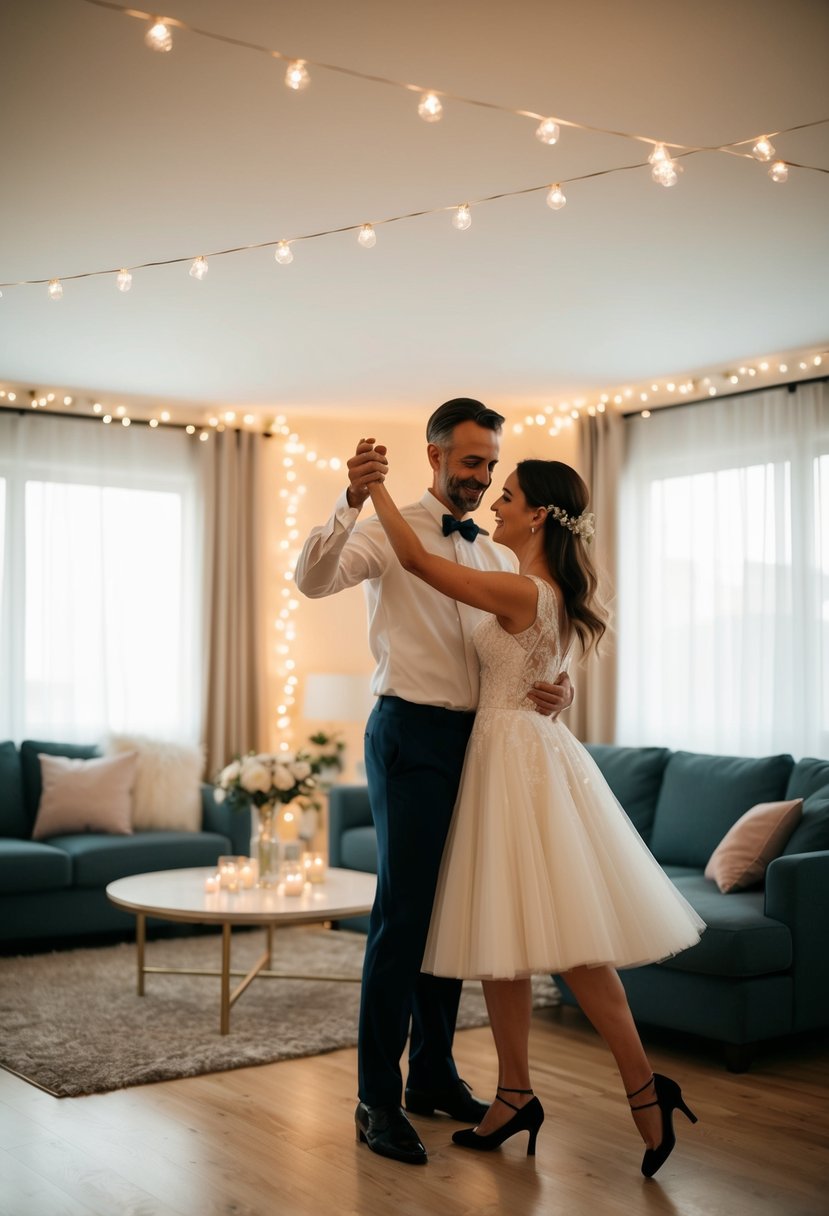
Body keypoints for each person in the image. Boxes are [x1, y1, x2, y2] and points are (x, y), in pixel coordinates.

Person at [365, 456, 706, 1178]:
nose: (495, 501)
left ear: (539, 516)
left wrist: (373, 492)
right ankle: (513, 1092)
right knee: (504, 932)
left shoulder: (525, 589)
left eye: (508, 494)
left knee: (572, 947)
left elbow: (421, 563)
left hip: (516, 764)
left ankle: (645, 1089)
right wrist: (562, 685)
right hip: (506, 756)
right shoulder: (543, 590)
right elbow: (545, 661)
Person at [295, 399, 573, 1166]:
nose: (480, 479)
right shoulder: (387, 527)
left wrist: (560, 688)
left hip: (479, 739)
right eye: (470, 462)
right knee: (405, 914)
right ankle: (375, 1100)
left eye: (490, 466)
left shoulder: (490, 553)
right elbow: (311, 580)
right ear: (435, 456)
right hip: (409, 733)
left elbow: (524, 643)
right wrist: (349, 501)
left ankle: (435, 1074)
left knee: (455, 910)